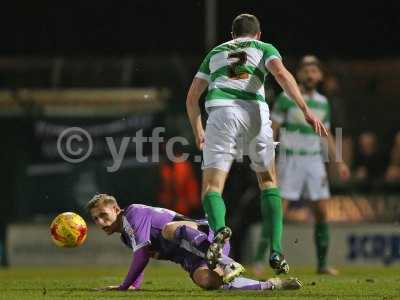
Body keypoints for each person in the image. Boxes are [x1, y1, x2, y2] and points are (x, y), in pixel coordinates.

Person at [186, 13, 328, 273]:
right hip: (255, 113)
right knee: (268, 182)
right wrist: (305, 109)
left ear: (232, 35)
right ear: (258, 34)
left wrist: (198, 129)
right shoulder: (264, 48)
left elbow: (191, 97)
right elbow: (282, 75)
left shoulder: (215, 52)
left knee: (212, 187)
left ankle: (219, 232)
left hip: (221, 113)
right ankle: (276, 251)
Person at [88, 194, 302, 292]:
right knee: (207, 282)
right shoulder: (127, 236)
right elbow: (141, 256)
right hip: (193, 255)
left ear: (116, 209)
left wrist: (124, 287)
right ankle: (271, 285)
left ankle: (225, 262)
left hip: (204, 235)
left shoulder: (133, 213)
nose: (100, 222)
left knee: (169, 228)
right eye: (95, 219)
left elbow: (142, 255)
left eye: (103, 215)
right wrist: (134, 286)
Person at [260, 55, 350, 275]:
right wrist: (266, 154)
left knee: (321, 212)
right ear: (299, 74)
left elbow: (325, 134)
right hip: (290, 159)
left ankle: (322, 264)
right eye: (306, 70)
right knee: (277, 210)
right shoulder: (286, 98)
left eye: (314, 70)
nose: (310, 74)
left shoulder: (323, 102)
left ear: (319, 76)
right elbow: (274, 128)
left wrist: (339, 162)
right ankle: (259, 259)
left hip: (314, 161)